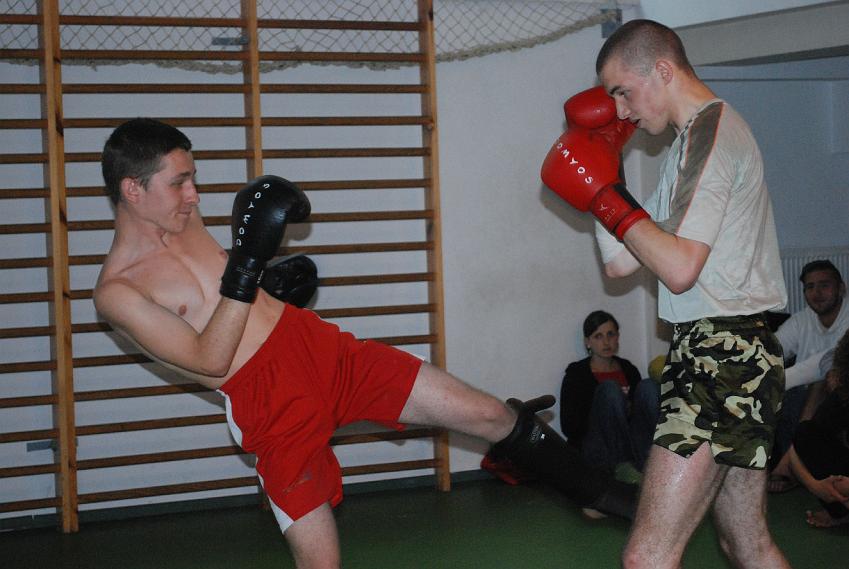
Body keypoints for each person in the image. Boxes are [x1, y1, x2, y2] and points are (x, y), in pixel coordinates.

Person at [94, 118, 634, 569]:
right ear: (132, 190)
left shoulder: (182, 219)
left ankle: (604, 498)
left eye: (193, 178)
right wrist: (249, 264)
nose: (193, 195)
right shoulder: (119, 291)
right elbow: (210, 359)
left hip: (319, 349)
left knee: (489, 412)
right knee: (322, 564)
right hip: (269, 402)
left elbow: (226, 296)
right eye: (179, 183)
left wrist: (268, 285)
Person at [540, 19, 791, 569]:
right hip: (728, 354)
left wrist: (605, 198)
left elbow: (678, 269)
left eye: (622, 92)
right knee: (746, 545)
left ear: (661, 70)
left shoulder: (711, 134)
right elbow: (622, 262)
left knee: (647, 557)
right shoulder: (685, 149)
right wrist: (607, 175)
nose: (619, 110)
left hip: (722, 355)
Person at [769, 260, 848, 492]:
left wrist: (773, 383)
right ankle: (790, 464)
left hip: (837, 397)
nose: (817, 293)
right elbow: (771, 352)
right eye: (810, 287)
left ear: (841, 288)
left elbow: (827, 360)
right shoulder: (801, 320)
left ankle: (788, 465)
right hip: (798, 395)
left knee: (822, 380)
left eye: (824, 285)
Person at [560, 310, 659, 480]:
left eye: (610, 334)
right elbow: (570, 428)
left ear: (617, 337)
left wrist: (627, 410)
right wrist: (608, 410)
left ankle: (664, 455)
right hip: (599, 447)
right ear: (588, 342)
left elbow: (641, 416)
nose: (606, 342)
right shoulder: (577, 374)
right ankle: (623, 467)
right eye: (598, 336)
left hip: (632, 442)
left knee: (649, 386)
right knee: (610, 389)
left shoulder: (628, 368)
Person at [785, 331, 849, 527]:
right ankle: (841, 513)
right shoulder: (841, 398)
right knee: (806, 433)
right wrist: (817, 487)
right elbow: (796, 448)